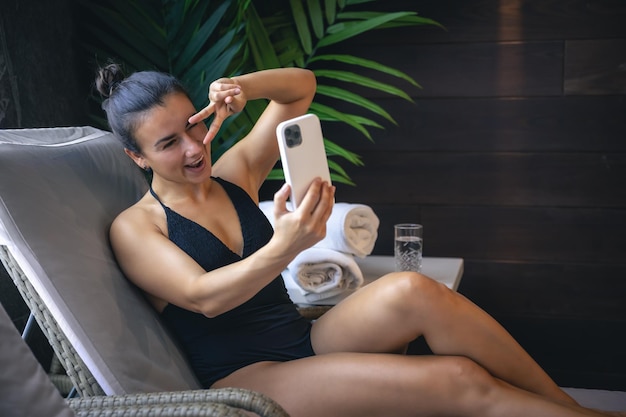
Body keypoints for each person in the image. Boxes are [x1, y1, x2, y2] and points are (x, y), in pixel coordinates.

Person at [96, 63, 623, 417]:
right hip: (248, 378)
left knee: (413, 290)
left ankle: (568, 407)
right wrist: (287, 244)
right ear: (136, 158)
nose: (193, 148)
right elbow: (204, 297)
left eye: (194, 126)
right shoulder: (138, 227)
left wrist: (244, 88)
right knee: (455, 378)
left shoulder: (231, 176)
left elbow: (300, 89)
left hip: (301, 342)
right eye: (168, 143)